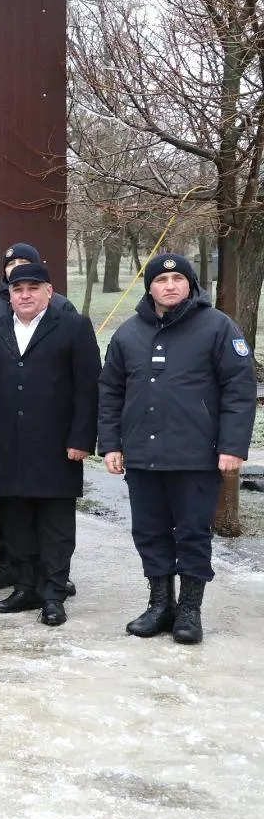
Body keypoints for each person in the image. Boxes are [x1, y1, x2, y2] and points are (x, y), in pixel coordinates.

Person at [100, 253, 255, 645]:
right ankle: (159, 605)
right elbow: (110, 392)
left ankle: (189, 610)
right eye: (161, 280)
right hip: (143, 457)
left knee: (191, 534)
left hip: (195, 456)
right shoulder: (128, 334)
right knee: (149, 533)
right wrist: (112, 444)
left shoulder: (218, 327)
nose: (170, 286)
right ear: (149, 287)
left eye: (178, 279)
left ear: (191, 285)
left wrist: (233, 446)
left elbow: (239, 390)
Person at [0, 263, 100, 627]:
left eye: (33, 287)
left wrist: (81, 439)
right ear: (9, 295)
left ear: (49, 290)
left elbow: (87, 387)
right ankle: (26, 586)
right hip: (8, 447)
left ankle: (53, 593)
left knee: (55, 525)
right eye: (17, 289)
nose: (25, 294)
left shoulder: (73, 327)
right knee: (16, 523)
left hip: (57, 447)